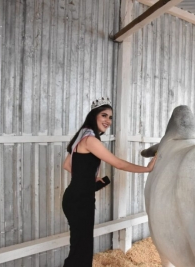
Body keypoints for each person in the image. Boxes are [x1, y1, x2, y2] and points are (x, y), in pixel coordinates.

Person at [62, 98, 157, 267]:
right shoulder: (91, 140)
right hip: (80, 201)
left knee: (79, 247)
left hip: (74, 197)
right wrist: (147, 169)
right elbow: (118, 163)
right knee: (82, 251)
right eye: (104, 115)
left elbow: (67, 165)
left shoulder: (81, 136)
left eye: (111, 117)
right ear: (93, 116)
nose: (108, 121)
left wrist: (87, 177)